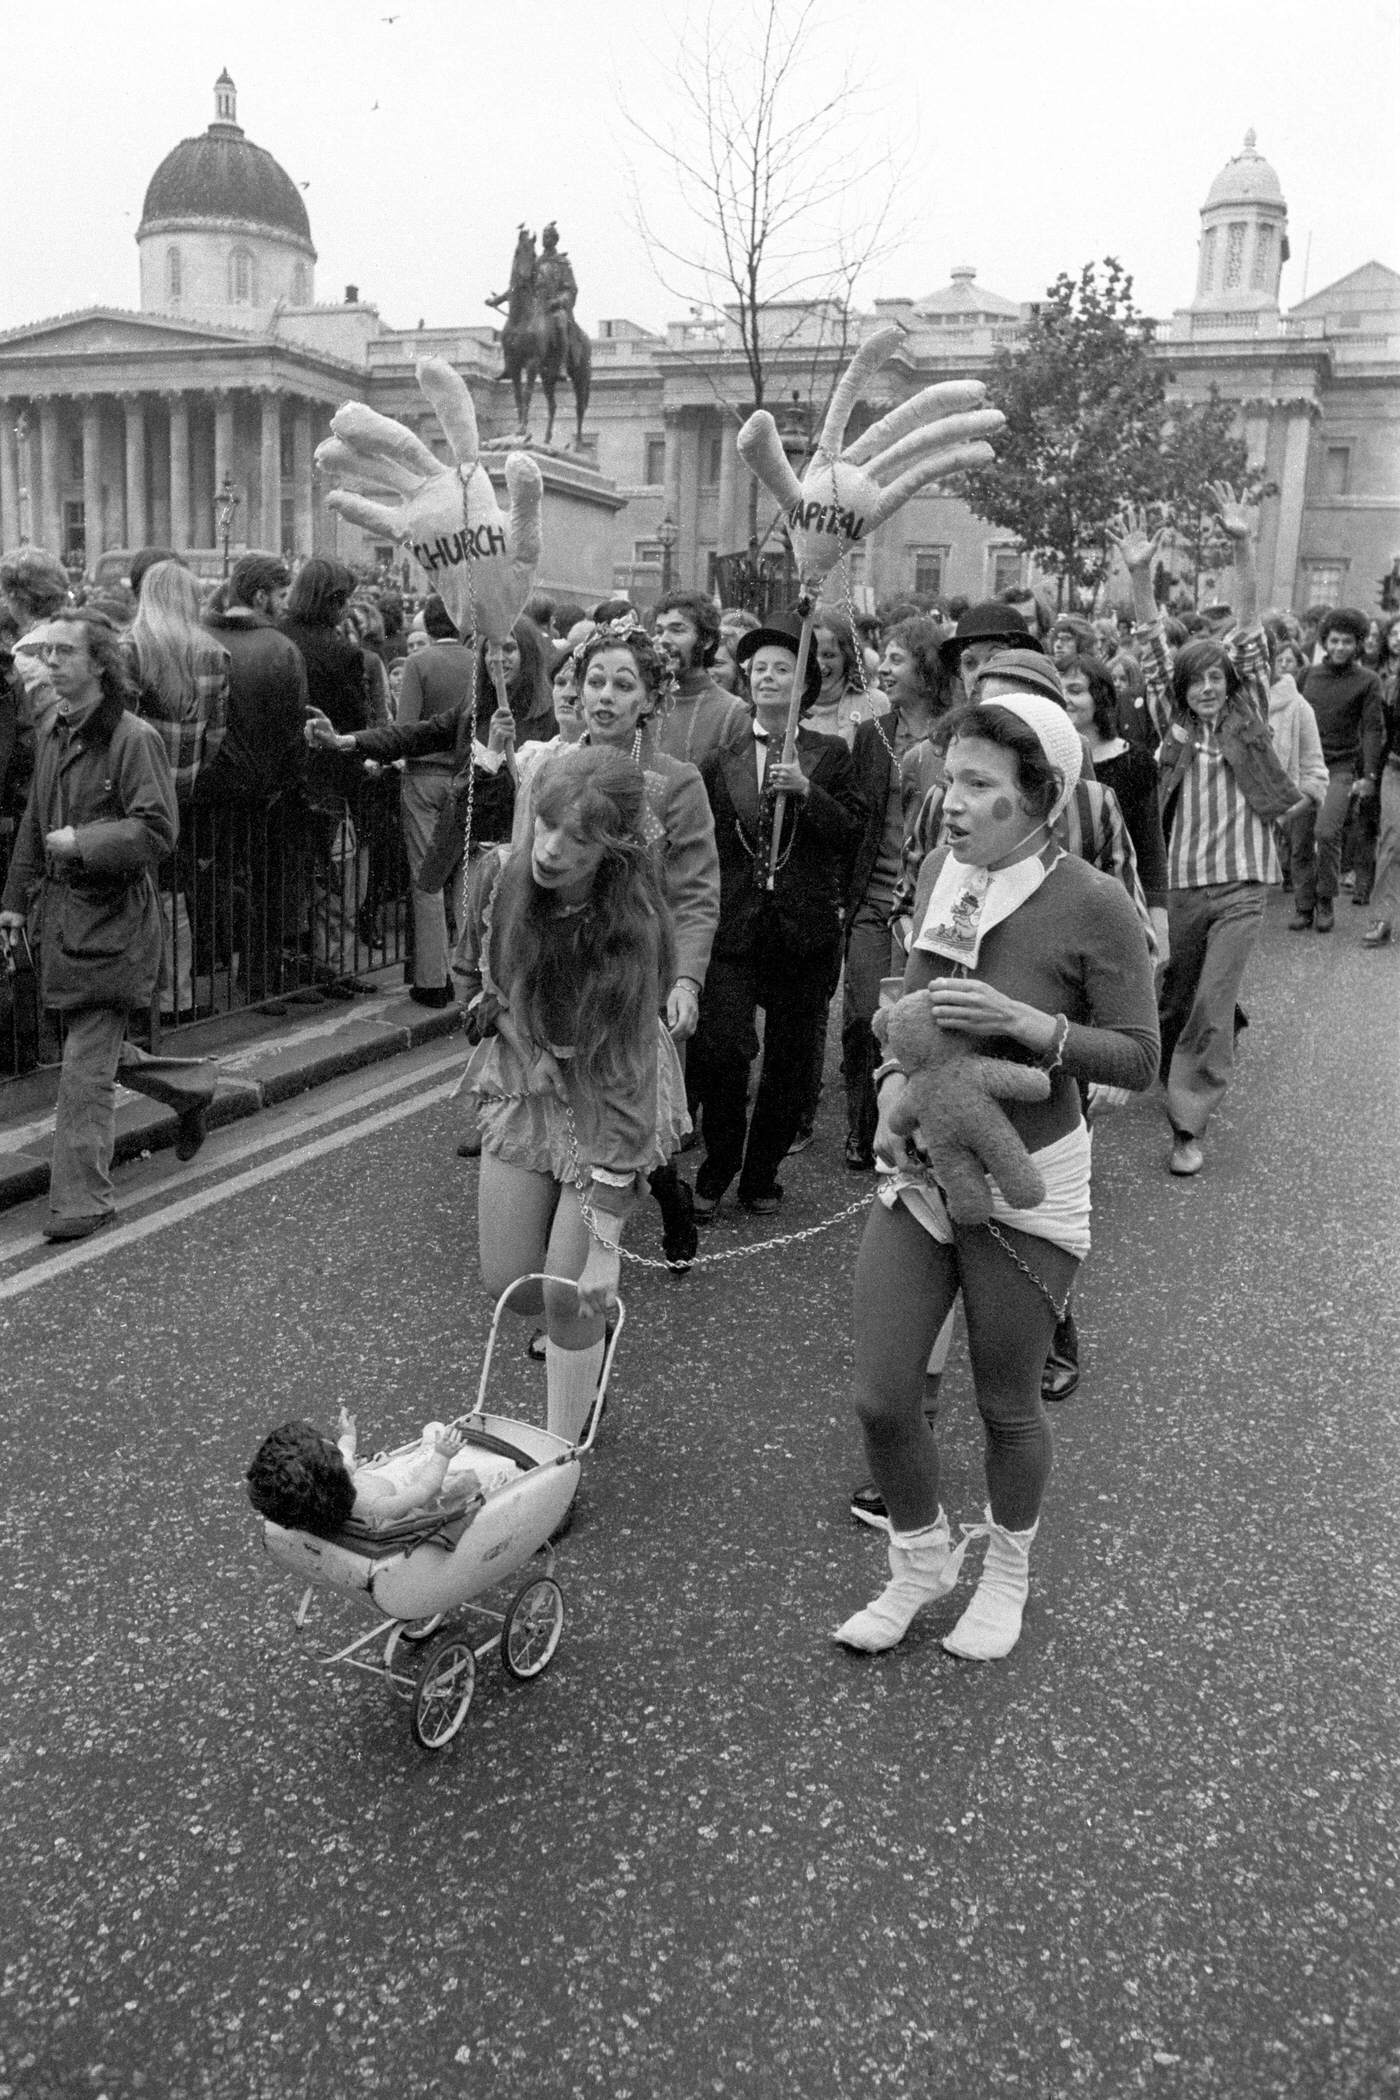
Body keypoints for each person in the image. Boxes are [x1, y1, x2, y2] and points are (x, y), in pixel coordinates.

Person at [833, 692, 1158, 1663]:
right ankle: (918, 1560)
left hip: (1029, 1178)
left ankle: (1005, 1574)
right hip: (932, 1159)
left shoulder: (1094, 904)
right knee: (884, 1398)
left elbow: (1138, 1057)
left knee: (1003, 1402)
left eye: (978, 785)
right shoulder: (941, 868)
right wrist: (896, 1081)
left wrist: (1032, 1029)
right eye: (948, 782)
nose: (951, 804)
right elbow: (913, 998)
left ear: (1043, 796)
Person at [456, 746, 686, 1439]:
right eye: (546, 824)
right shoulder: (498, 878)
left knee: (565, 1297)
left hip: (609, 1089)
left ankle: (562, 1448)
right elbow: (479, 991)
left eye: (578, 839)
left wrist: (609, 1242)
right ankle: (587, 1341)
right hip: (526, 1082)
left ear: (611, 852)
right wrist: (524, 1047)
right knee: (509, 1284)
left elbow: (625, 1084)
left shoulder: (633, 926)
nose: (551, 850)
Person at [0, 610, 218, 1238]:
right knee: (89, 1056)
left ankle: (82, 1201)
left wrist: (83, 841)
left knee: (81, 1074)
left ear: (99, 664)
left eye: (64, 652)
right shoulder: (53, 731)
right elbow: (34, 826)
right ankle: (191, 1087)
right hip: (61, 924)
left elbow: (157, 830)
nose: (49, 663)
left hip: (114, 924)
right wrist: (15, 899)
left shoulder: (133, 737)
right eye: (45, 653)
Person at [1113, 491, 1309, 1175]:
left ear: (1232, 682)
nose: (1206, 689)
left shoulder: (1246, 710)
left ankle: (1188, 1122)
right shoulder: (1174, 725)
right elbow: (1149, 645)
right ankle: (1174, 1059)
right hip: (1184, 883)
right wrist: (1140, 574)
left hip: (1245, 883)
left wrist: (1243, 543)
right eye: (1196, 681)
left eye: (1216, 679)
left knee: (1214, 1003)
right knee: (1179, 994)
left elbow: (1250, 622)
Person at [687, 613, 865, 1218]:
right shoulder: (723, 758)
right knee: (722, 1052)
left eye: (781, 669)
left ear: (804, 682)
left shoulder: (833, 754)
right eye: (758, 668)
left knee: (789, 1064)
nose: (766, 677)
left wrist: (807, 793)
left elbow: (851, 833)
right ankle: (718, 1166)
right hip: (734, 930)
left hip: (803, 930)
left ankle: (761, 1175)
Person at [841, 615, 947, 1171]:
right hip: (872, 894)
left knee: (910, 1018)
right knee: (863, 1015)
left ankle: (907, 1128)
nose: (884, 665)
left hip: (924, 902)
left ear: (929, 670)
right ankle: (864, 1126)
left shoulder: (955, 740)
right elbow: (858, 816)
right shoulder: (871, 732)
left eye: (898, 658)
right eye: (882, 655)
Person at [200, 555, 309, 1002]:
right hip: (265, 790)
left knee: (212, 879)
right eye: (281, 596)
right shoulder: (281, 649)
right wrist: (288, 780)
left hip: (207, 787)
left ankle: (205, 978)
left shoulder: (202, 637)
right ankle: (259, 980)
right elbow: (295, 727)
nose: (285, 606)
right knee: (265, 885)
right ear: (261, 596)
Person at [128, 560, 231, 1016]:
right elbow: (216, 735)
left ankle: (141, 997)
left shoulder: (130, 649)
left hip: (131, 792)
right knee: (172, 896)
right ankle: (178, 997)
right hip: (180, 792)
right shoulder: (214, 652)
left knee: (133, 894)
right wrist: (186, 774)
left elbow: (120, 731)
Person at [246, 1410, 519, 1539]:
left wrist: (348, 1437)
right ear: (337, 1476)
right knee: (493, 1467)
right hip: (416, 1480)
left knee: (436, 1430)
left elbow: (345, 1455)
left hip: (393, 1474)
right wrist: (442, 1456)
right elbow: (425, 1488)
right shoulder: (376, 1507)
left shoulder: (329, 1492)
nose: (343, 1455)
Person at [1290, 609, 1384, 930]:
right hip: (1304, 769)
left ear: (1358, 644)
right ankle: (1303, 905)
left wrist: (1369, 776)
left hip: (1341, 768)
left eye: (1348, 641)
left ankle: (1325, 898)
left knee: (1327, 832)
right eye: (1335, 641)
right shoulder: (1305, 676)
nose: (1341, 647)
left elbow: (1372, 729)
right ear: (1325, 643)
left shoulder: (1368, 681)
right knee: (1300, 839)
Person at [650, 592, 750, 766]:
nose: (663, 640)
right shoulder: (643, 704)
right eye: (659, 631)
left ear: (706, 641)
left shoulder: (735, 713)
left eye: (676, 630)